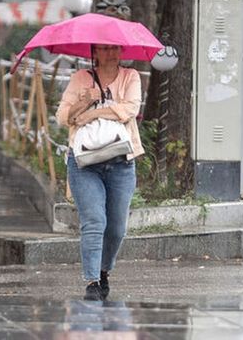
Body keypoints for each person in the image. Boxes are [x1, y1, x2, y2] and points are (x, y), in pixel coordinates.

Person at [56, 44, 144, 301]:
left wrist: (93, 112)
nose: (111, 54)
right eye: (104, 49)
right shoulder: (80, 78)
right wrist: (84, 100)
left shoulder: (131, 77)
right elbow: (63, 117)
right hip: (84, 162)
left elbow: (130, 110)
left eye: (115, 48)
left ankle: (104, 270)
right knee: (94, 221)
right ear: (95, 52)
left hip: (121, 161)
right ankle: (92, 281)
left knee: (117, 228)